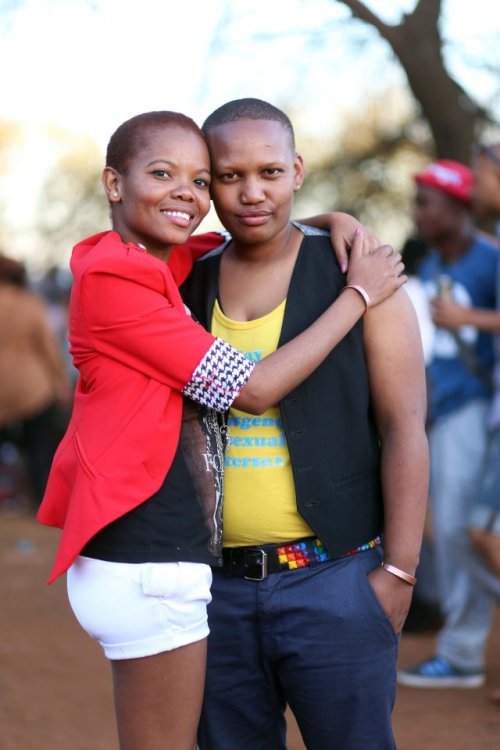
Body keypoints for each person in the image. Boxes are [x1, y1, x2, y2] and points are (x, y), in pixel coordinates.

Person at [36, 110, 405, 750]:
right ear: (113, 183)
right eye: (164, 174)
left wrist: (331, 223)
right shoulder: (122, 280)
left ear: (295, 173)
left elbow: (252, 232)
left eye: (201, 180)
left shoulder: (160, 263)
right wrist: (358, 295)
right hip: (155, 562)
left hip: (233, 567)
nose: (194, 193)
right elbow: (254, 390)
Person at [180, 98, 429, 750]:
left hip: (336, 579)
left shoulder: (359, 273)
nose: (251, 192)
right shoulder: (186, 284)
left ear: (296, 170)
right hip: (215, 592)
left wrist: (399, 572)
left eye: (269, 171)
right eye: (229, 176)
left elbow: (405, 427)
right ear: (208, 185)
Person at [397, 159, 499, 690]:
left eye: (426, 203)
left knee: (466, 532)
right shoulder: (436, 264)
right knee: (456, 531)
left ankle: (461, 652)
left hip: (478, 410)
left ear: (459, 206)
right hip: (444, 413)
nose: (417, 215)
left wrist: (471, 320)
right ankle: (461, 647)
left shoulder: (490, 259)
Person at [0, 253, 71, 509]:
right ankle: (41, 500)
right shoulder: (30, 304)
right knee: (39, 447)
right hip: (31, 387)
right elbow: (48, 349)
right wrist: (61, 383)